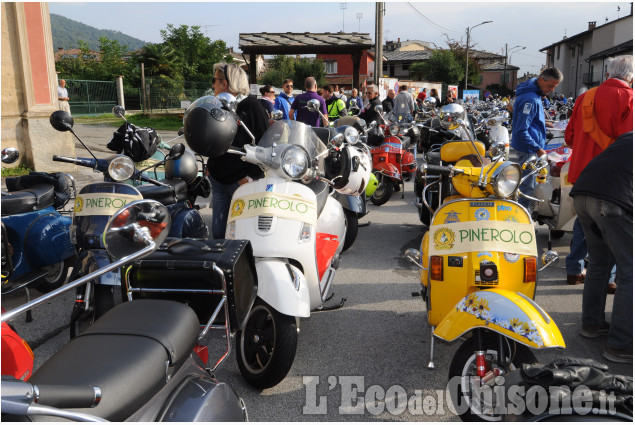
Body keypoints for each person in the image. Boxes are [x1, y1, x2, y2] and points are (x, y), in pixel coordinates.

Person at [563, 55, 633, 287]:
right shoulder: (629, 99)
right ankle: (609, 277)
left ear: (608, 73)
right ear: (630, 76)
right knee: (612, 228)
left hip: (582, 171)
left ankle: (574, 268)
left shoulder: (585, 96)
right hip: (613, 177)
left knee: (583, 221)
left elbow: (569, 137)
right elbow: (628, 142)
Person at [571, 131, 632, 363]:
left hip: (583, 194)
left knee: (599, 262)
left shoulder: (629, 137)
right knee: (630, 272)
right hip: (612, 201)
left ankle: (591, 324)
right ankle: (621, 345)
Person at [207, 62, 270, 239]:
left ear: (225, 83)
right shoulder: (217, 105)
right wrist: (210, 166)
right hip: (219, 180)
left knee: (242, 235)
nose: (213, 85)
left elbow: (264, 144)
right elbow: (213, 138)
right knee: (219, 234)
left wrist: (250, 177)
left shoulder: (252, 106)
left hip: (241, 181)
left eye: (215, 80)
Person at [510, 67, 563, 207]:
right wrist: (538, 149)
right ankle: (524, 220)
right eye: (550, 86)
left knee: (529, 185)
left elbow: (528, 121)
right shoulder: (531, 99)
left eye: (554, 87)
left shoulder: (533, 93)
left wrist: (543, 123)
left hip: (529, 148)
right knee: (527, 188)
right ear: (540, 80)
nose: (552, 90)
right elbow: (521, 130)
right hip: (529, 149)